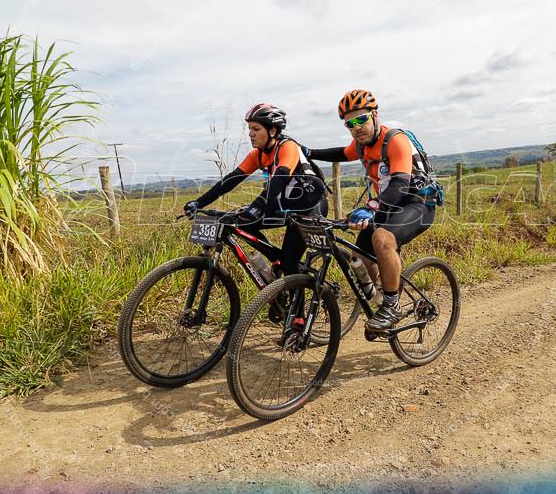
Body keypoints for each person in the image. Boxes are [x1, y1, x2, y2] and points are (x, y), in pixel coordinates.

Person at [306, 89, 435, 331]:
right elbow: (341, 154)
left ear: (375, 116)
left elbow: (400, 184)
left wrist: (371, 207)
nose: (356, 127)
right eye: (349, 123)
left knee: (382, 238)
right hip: (388, 205)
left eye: (361, 119)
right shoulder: (362, 145)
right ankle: (381, 290)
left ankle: (390, 306)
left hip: (417, 203)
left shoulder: (394, 140)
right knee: (359, 255)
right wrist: (309, 152)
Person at [183, 103, 326, 277]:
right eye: (249, 128)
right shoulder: (257, 154)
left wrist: (257, 206)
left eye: (256, 129)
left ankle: (296, 293)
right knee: (243, 223)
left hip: (310, 205)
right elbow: (230, 181)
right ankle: (276, 260)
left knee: (289, 265)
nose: (250, 133)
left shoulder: (287, 146)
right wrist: (199, 202)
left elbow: (280, 177)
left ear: (272, 131)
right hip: (285, 202)